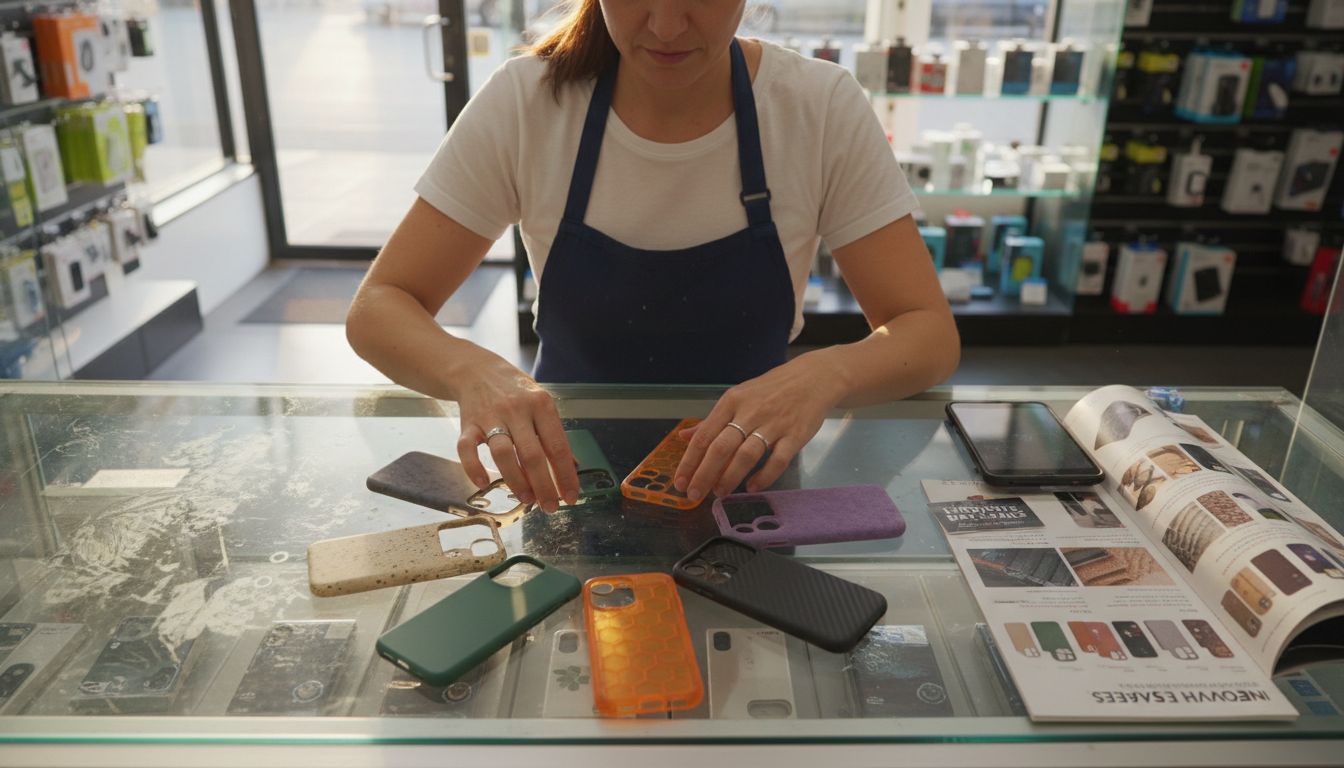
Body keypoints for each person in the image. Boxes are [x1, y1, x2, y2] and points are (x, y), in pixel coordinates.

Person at [347, 0, 960, 515]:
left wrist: (826, 375)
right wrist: (475, 374)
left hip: (748, 486)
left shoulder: (817, 107)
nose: (666, 25)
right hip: (565, 483)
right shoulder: (529, 101)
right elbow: (380, 306)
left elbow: (927, 332)